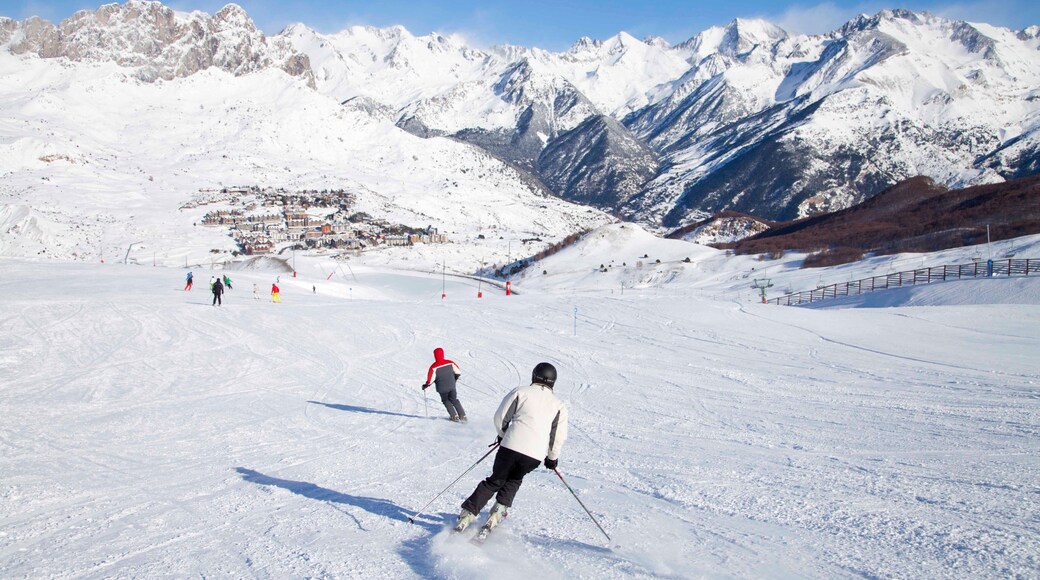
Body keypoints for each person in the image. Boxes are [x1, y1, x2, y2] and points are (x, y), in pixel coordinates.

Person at [455, 363, 568, 535]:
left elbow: (500, 417)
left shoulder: (521, 392)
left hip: (510, 446)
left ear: (534, 375)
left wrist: (502, 435)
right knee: (514, 480)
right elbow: (557, 436)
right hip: (534, 455)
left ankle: (467, 515)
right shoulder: (558, 405)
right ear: (553, 381)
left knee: (495, 481)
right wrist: (552, 458)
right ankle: (495, 516)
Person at [422, 347, 466, 422]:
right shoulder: (450, 362)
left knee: (446, 400)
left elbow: (430, 380)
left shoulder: (433, 367)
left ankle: (454, 416)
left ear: (435, 355)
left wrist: (426, 385)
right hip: (452, 385)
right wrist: (454, 379)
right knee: (454, 399)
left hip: (442, 388)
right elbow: (458, 372)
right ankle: (463, 416)